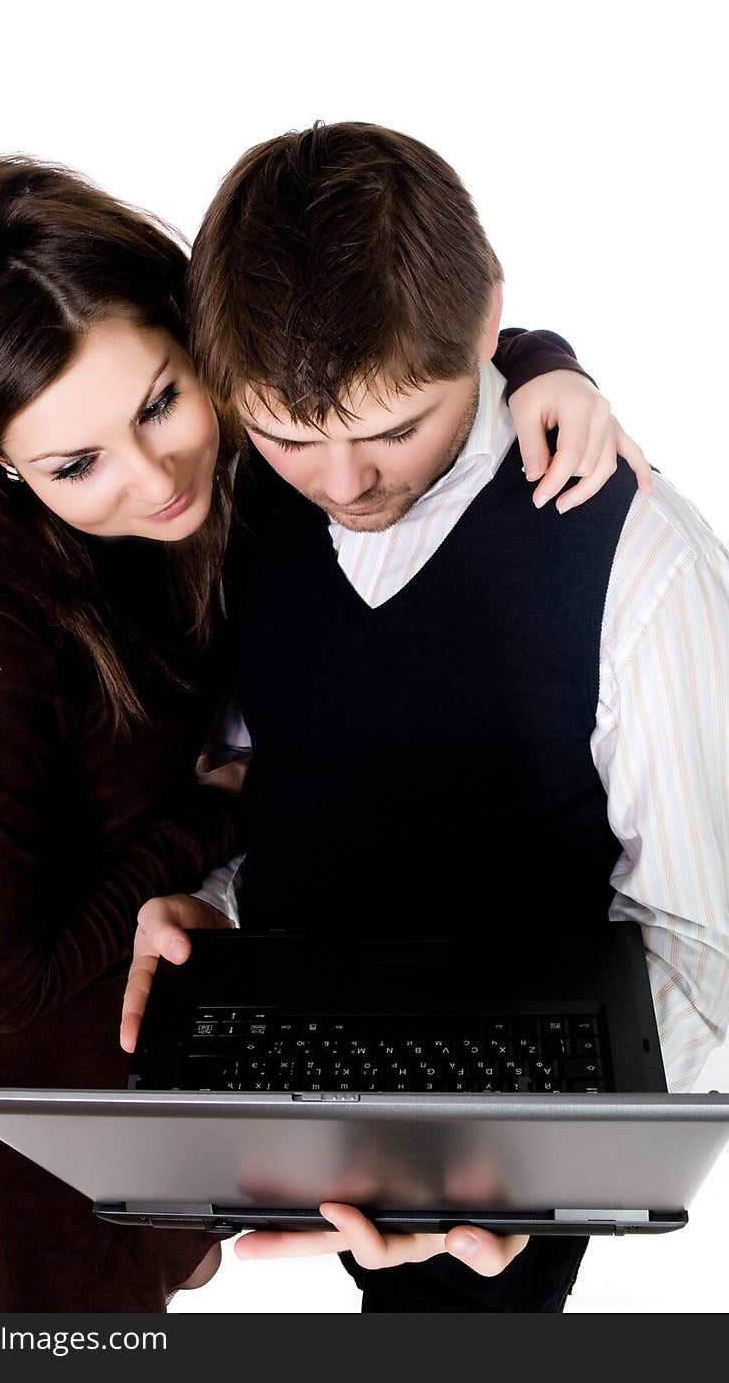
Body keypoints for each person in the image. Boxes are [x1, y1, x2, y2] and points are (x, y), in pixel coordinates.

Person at [0, 155, 647, 1315]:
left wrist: (534, 364)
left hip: (211, 1029)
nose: (160, 474)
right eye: (75, 465)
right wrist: (218, 816)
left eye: (163, 402)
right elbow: (2, 979)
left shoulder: (268, 460)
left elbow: (393, 339)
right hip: (53, 1089)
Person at [122, 122, 729, 1313]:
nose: (345, 485)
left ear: (490, 319)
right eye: (292, 437)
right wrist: (227, 905)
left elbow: (707, 962)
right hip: (299, 1053)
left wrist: (515, 1165)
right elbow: (308, 765)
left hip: (521, 1119)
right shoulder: (236, 505)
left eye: (397, 428)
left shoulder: (639, 565)